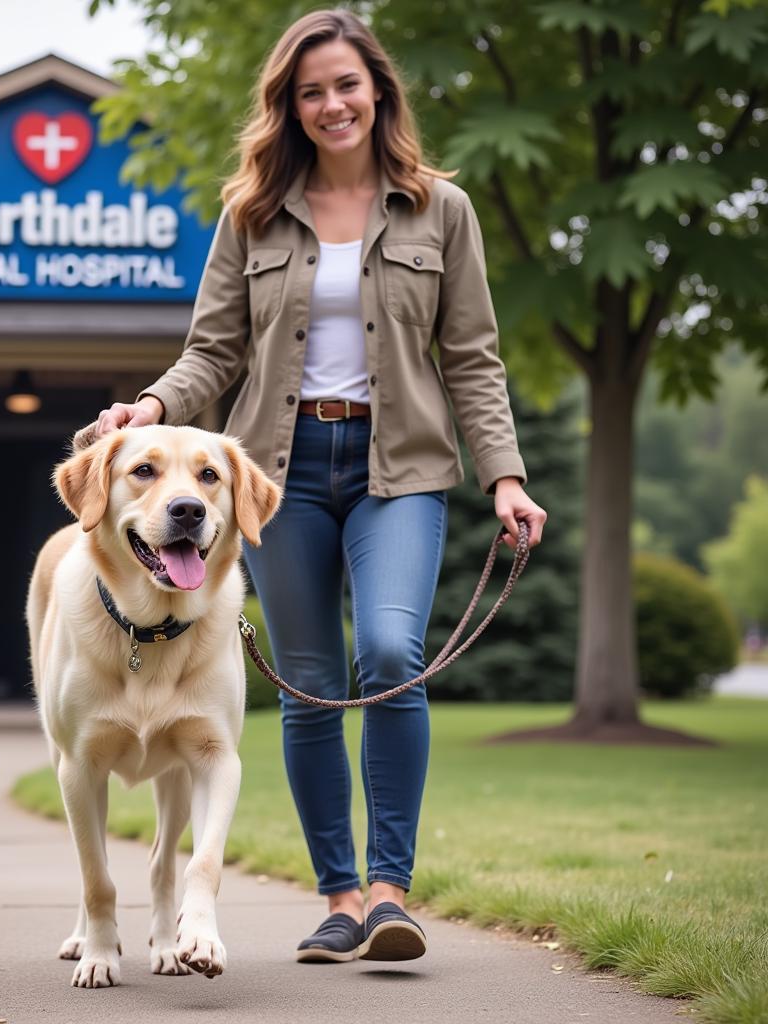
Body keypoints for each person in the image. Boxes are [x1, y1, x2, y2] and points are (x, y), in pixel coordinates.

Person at [93, 8, 547, 964]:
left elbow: (472, 357)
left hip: (402, 470)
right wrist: (146, 407)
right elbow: (211, 352)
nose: (332, 104)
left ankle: (390, 891)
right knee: (306, 686)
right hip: (276, 476)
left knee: (388, 652)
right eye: (311, 92)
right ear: (289, 108)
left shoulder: (440, 210)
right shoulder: (252, 213)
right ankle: (338, 897)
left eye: (346, 84)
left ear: (377, 89)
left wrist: (503, 475)